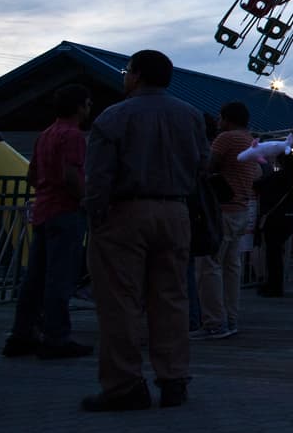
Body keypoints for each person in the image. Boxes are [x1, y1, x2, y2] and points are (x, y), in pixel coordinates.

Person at [81, 50, 208, 411]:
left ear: (135, 74)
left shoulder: (114, 116)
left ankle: (124, 384)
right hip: (176, 211)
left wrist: (95, 215)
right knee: (171, 298)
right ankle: (173, 379)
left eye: (126, 71)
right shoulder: (191, 115)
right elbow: (202, 164)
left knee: (120, 301)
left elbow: (98, 176)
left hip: (125, 211)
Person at [2, 84, 94, 360]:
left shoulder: (46, 134)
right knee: (61, 279)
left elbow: (32, 175)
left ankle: (22, 334)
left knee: (35, 278)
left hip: (43, 210)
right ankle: (56, 338)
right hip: (66, 212)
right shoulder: (73, 136)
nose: (90, 109)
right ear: (79, 107)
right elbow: (71, 175)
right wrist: (86, 200)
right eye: (88, 104)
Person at [191, 101, 257, 340]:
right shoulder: (250, 140)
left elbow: (206, 166)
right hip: (241, 208)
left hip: (221, 211)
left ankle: (213, 322)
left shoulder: (226, 138)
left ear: (226, 119)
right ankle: (230, 319)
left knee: (209, 266)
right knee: (232, 267)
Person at [254, 152, 293, 297]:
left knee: (272, 253)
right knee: (277, 253)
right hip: (290, 218)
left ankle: (273, 285)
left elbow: (259, 186)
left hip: (275, 219)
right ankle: (276, 284)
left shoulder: (278, 176)